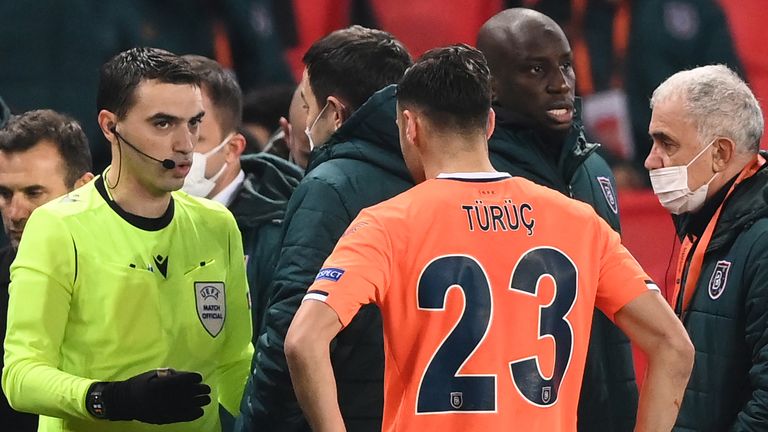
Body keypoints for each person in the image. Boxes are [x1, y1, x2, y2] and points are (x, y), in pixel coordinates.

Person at [285, 43, 694, 432]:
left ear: (410, 127)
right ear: (490, 124)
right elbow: (674, 346)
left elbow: (303, 341)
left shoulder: (385, 224)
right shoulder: (578, 222)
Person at [1, 47, 253, 432]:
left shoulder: (217, 225)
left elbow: (235, 362)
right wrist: (114, 399)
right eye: (163, 124)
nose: (186, 144)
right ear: (109, 126)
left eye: (194, 123)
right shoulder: (57, 227)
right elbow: (21, 376)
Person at [238, 26, 412, 432]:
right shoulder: (432, 174)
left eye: (301, 99)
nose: (292, 117)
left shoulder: (329, 187)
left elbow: (291, 334)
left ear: (333, 113)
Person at [476, 8, 639, 431]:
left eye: (565, 64)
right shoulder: (478, 178)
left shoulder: (594, 168)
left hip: (600, 407)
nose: (561, 84)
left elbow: (616, 310)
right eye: (536, 69)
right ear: (489, 86)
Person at [645, 64, 768, 430]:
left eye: (666, 143)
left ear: (720, 154)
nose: (651, 159)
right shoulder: (705, 224)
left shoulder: (761, 240)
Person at [181, 54, 302, 337]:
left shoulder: (281, 230)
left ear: (233, 148)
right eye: (163, 128)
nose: (176, 152)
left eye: (194, 140)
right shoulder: (136, 221)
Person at [0, 109, 94, 431]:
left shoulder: (128, 276)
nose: (15, 213)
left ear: (82, 189)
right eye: (5, 194)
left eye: (34, 193)